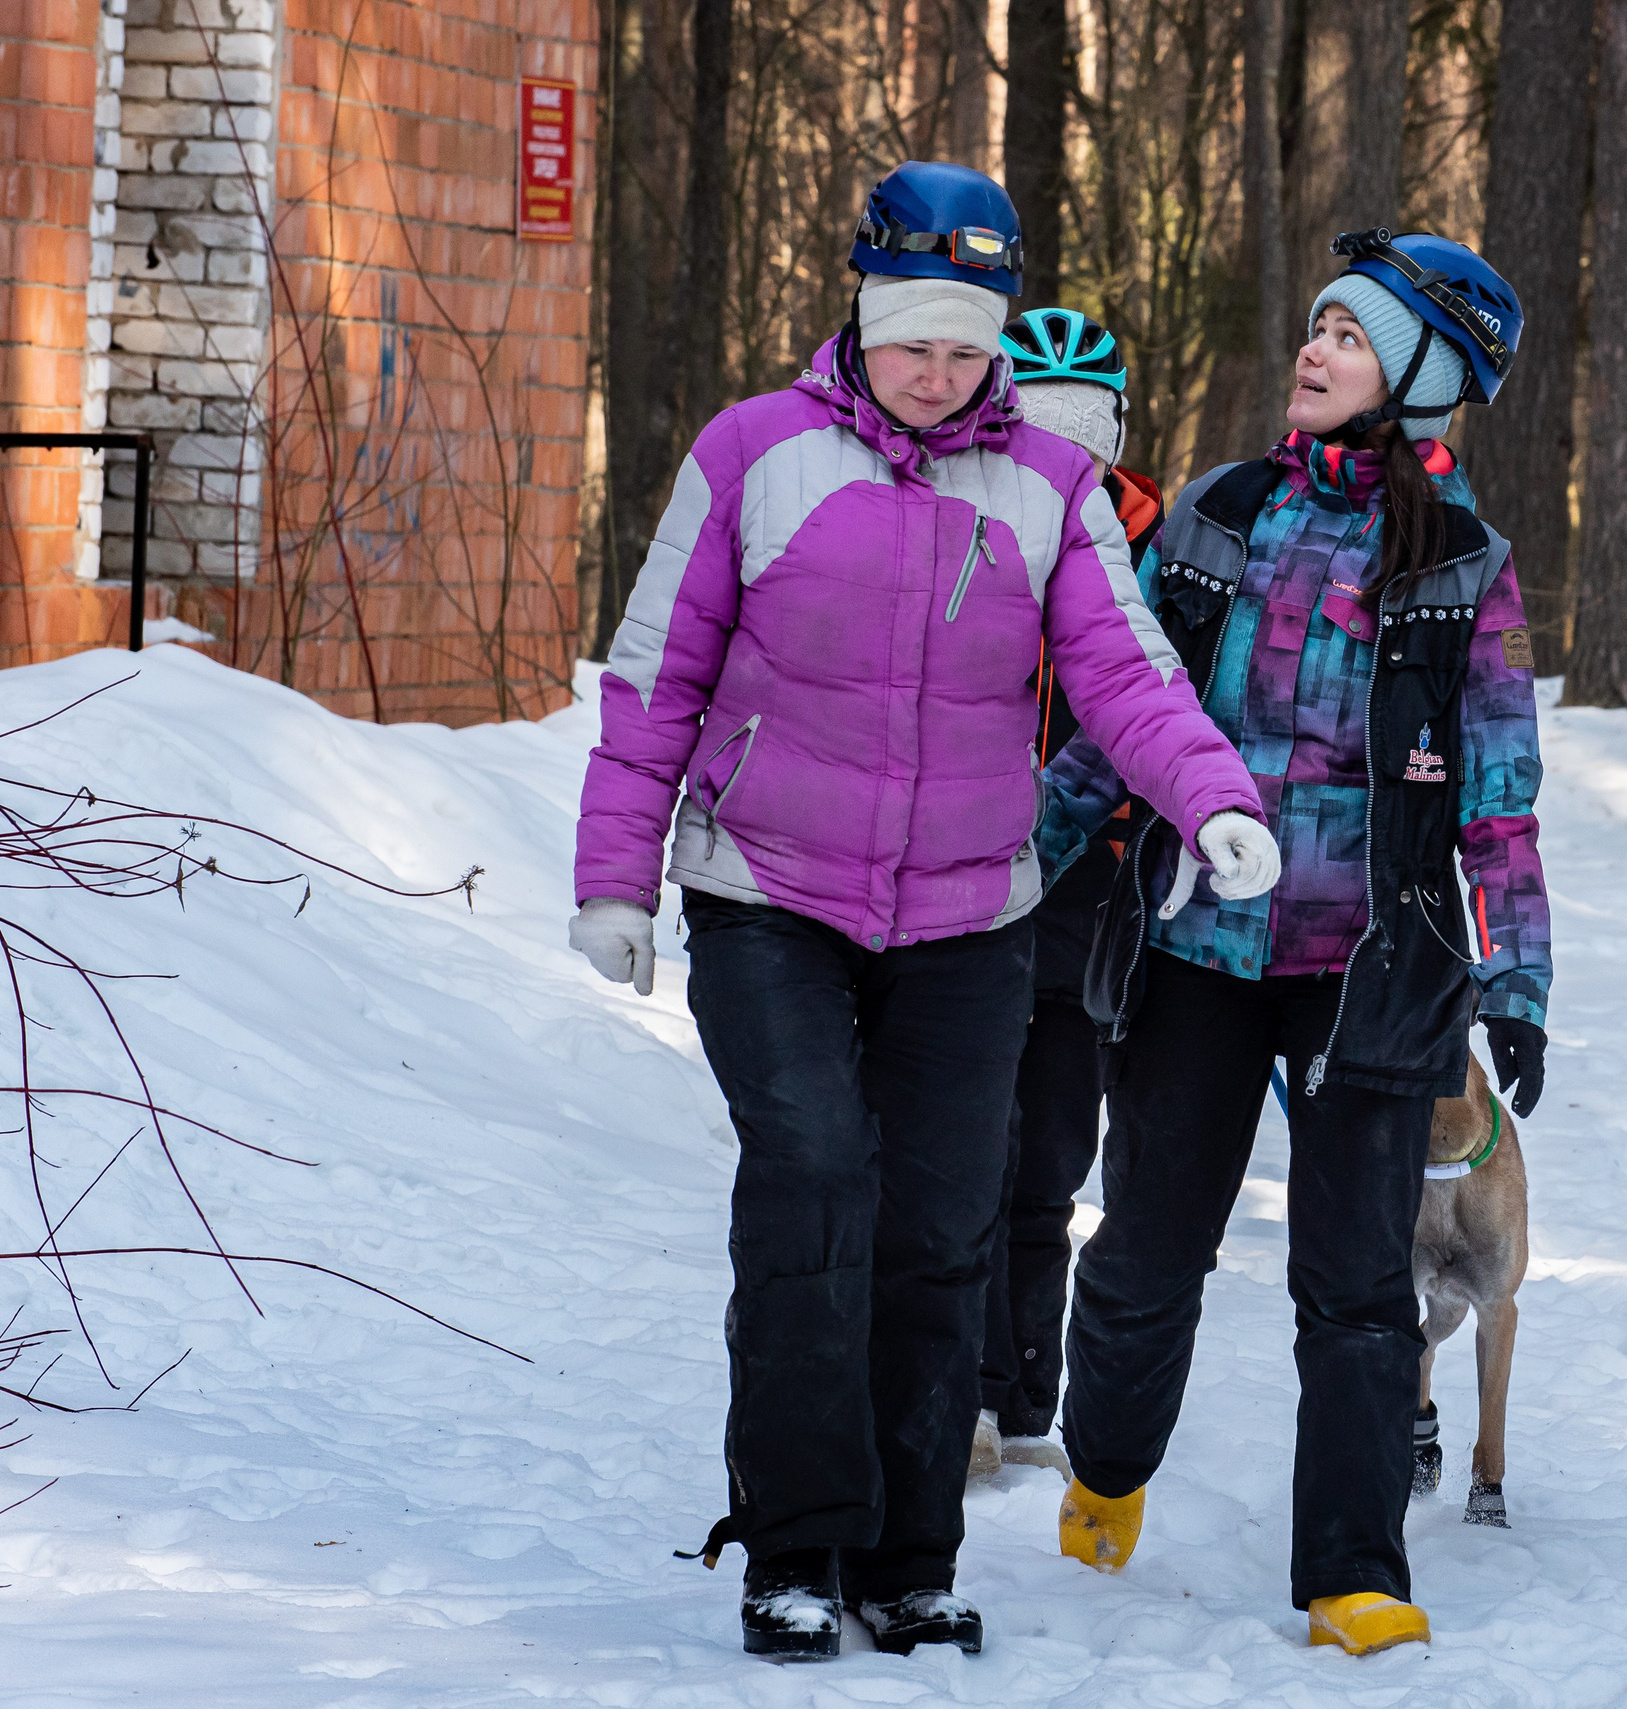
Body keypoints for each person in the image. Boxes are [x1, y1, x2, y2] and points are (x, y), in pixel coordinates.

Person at [565, 162, 1281, 1664]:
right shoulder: (753, 455)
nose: (942, 376)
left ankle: (907, 1556)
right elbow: (653, 679)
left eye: (969, 348)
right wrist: (616, 879)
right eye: (915, 344)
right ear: (862, 319)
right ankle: (795, 1545)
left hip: (970, 910)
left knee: (943, 1232)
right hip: (769, 893)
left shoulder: (1050, 485)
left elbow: (1131, 673)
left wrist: (1213, 800)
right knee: (817, 1182)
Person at [1035, 229, 1552, 1656]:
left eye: (1349, 335)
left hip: (1373, 973)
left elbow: (1499, 805)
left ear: (1417, 381)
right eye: (1316, 326)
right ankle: (1107, 1465)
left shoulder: (1466, 569)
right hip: (1199, 947)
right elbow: (1119, 722)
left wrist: (1516, 984)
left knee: (1361, 1287)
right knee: (1145, 1251)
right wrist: (1028, 851)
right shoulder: (1217, 511)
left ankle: (1352, 1569)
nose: (1313, 350)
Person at [970, 309, 1162, 1480]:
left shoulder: (1152, 541)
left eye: (1083, 431)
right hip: (966, 865)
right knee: (960, 1152)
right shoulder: (959, 513)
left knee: (1046, 1159)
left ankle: (1020, 1400)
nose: (1062, 455)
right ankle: (961, 1393)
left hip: (1091, 889)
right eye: (1040, 426)